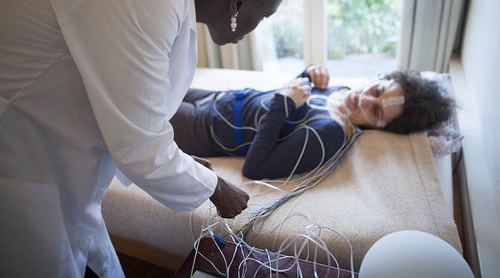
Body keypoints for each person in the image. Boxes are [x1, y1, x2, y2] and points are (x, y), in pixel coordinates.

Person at [0, 0, 293, 278]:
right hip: (16, 147)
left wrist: (180, 162)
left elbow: (134, 110)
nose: (255, 28)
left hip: (43, 145)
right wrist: (215, 187)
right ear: (238, 2)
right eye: (261, 17)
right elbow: (140, 146)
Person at [170, 65, 455, 180]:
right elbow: (289, 107)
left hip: (207, 129)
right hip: (221, 98)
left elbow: (255, 168)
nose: (365, 99)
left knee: (134, 103)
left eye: (377, 111)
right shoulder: (341, 90)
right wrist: (307, 73)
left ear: (383, 129)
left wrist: (284, 101)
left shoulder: (329, 134)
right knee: (145, 85)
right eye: (378, 90)